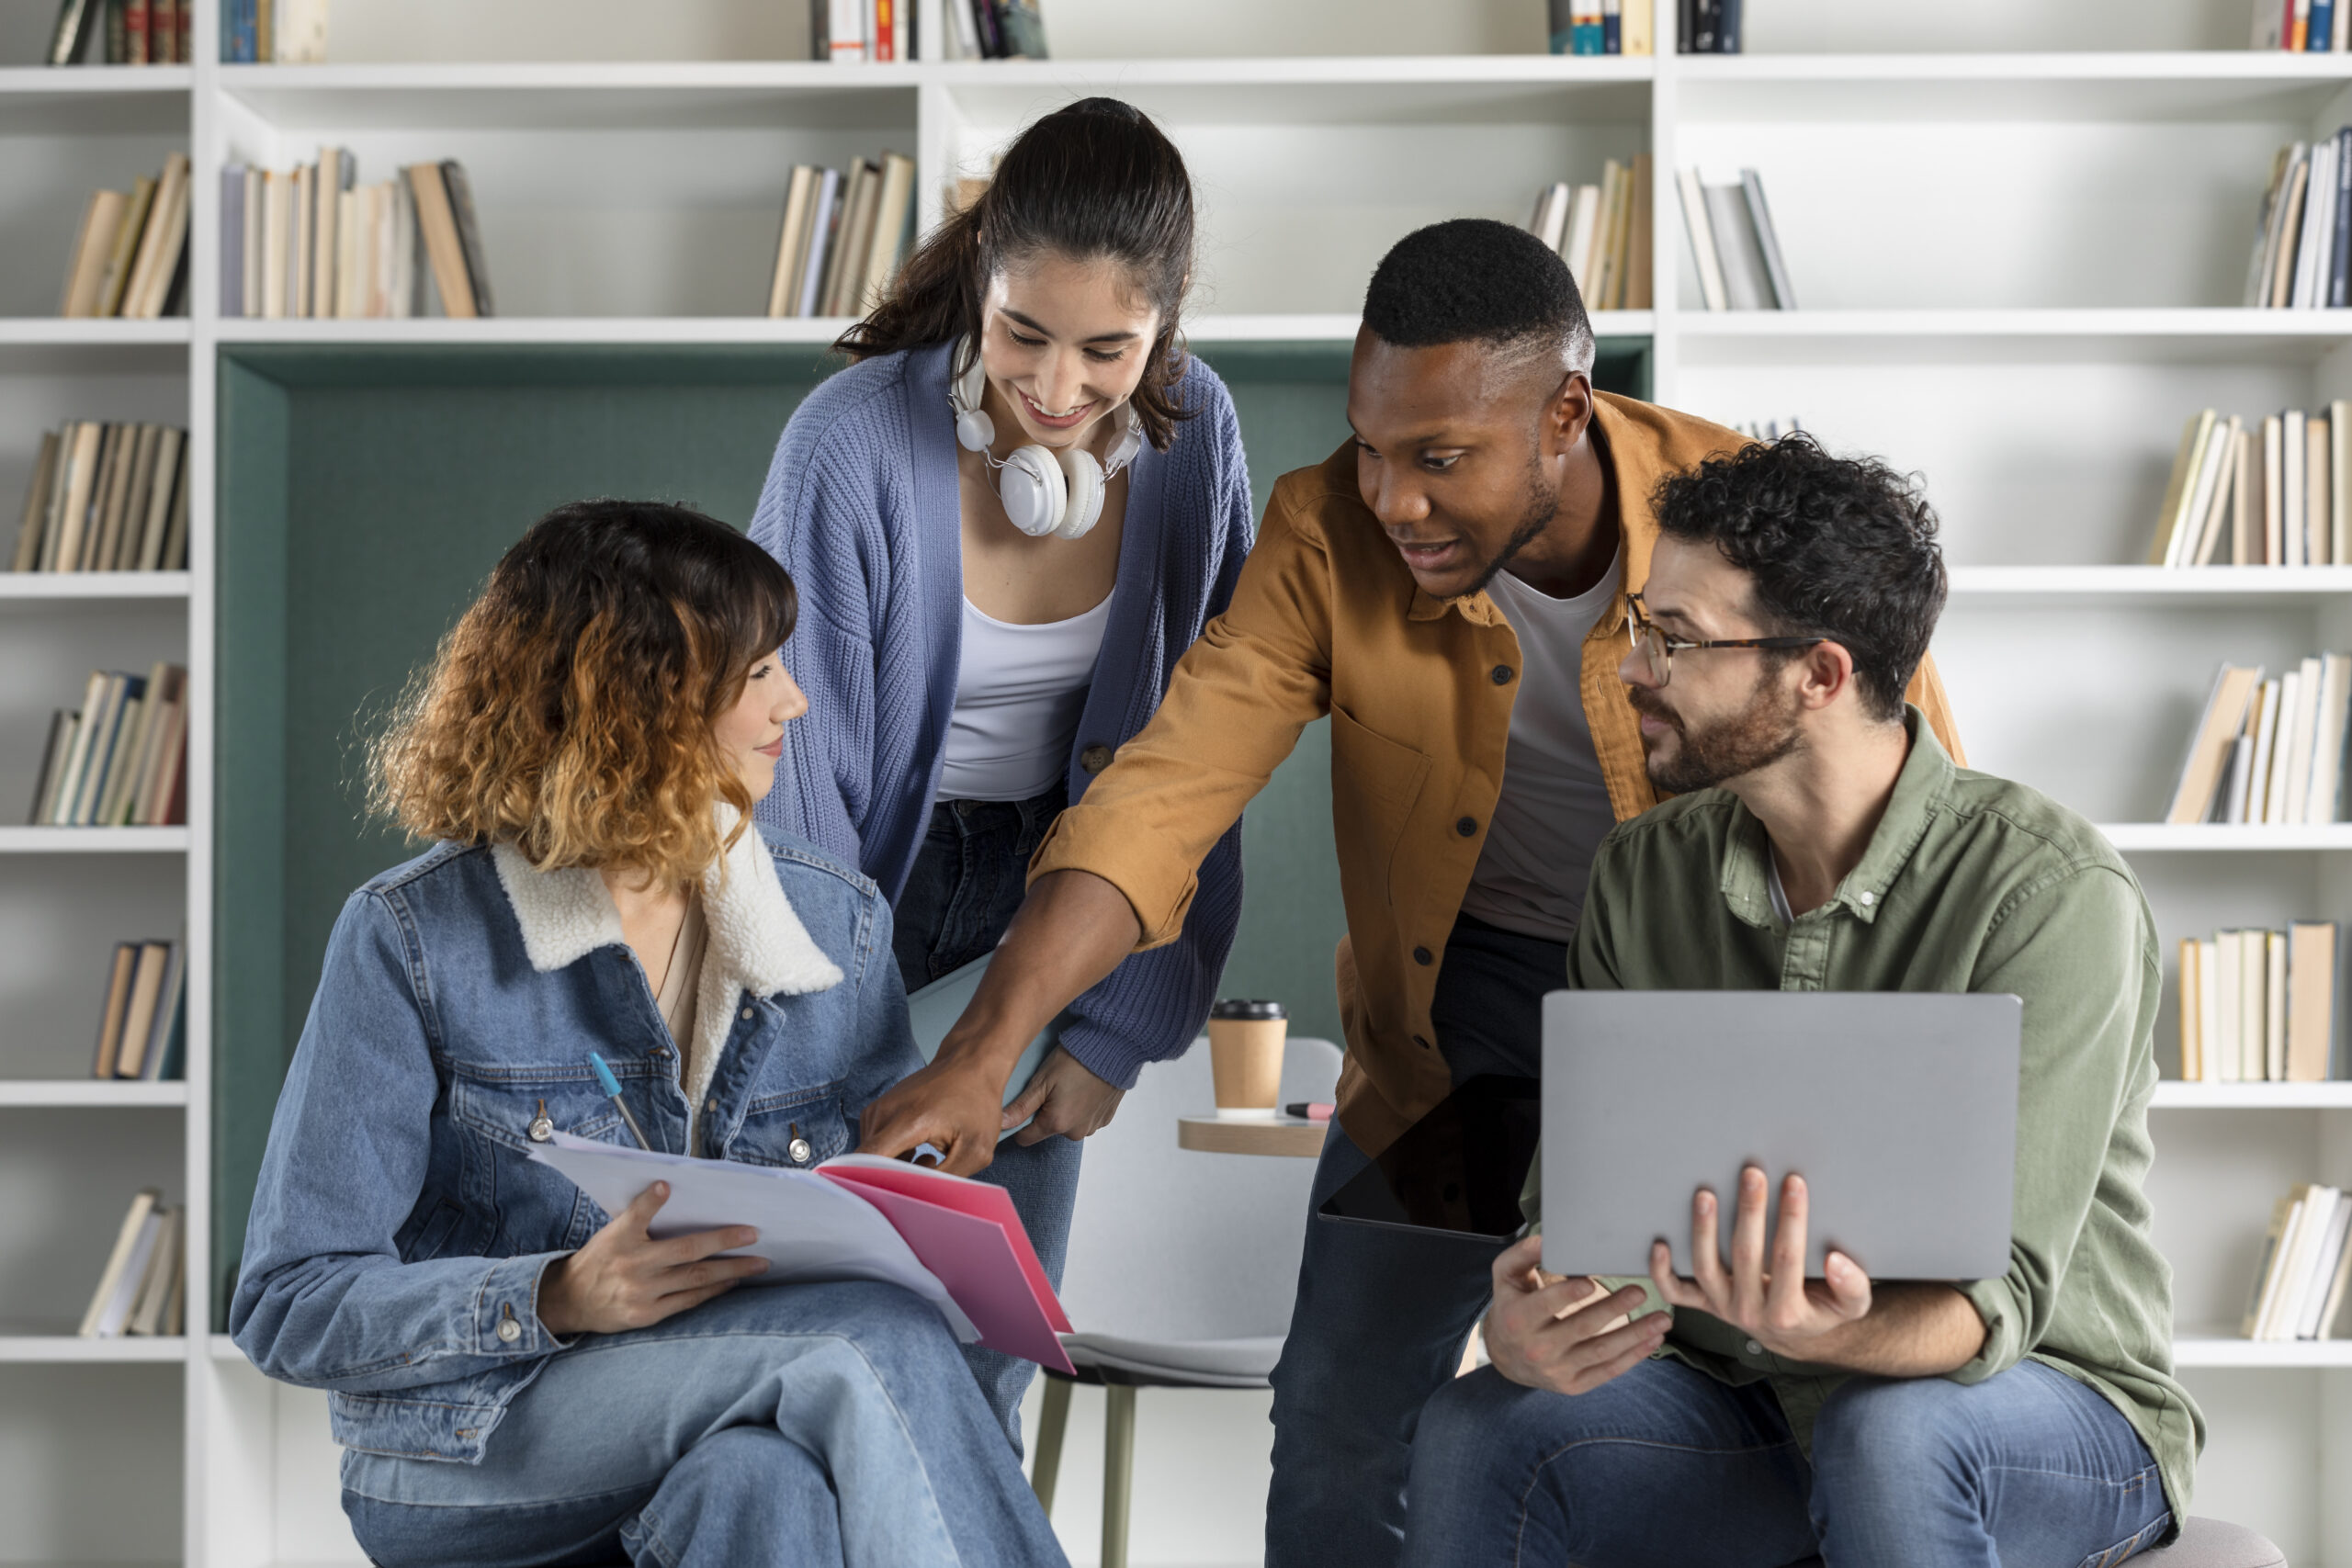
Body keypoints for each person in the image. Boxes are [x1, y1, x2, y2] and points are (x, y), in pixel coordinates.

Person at [856, 218, 1967, 1563]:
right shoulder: (1328, 533)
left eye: (1440, 458)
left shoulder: (1738, 525)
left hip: (1728, 1014)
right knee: (1337, 1410)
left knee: (1741, 1402)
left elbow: (1922, 822)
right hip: (1464, 1026)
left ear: (1565, 413)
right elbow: (1163, 796)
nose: (1392, 499)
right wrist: (980, 1052)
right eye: (1371, 447)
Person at [1404, 435, 2199, 1568]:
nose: (1631, 670)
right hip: (1747, 1400)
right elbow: (1587, 1219)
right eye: (1640, 627)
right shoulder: (1642, 872)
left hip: (2041, 1404)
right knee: (1482, 1426)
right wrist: (1537, 1320)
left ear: (1818, 675)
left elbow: (1998, 1298)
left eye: (1675, 640)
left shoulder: (2050, 891)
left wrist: (1829, 1327)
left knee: (1892, 1434)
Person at [229, 502, 1067, 1568]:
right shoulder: (412, 935)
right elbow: (289, 1302)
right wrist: (555, 1295)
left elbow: (891, 1232)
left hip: (742, 1402)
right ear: (643, 701)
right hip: (474, 1446)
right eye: (757, 674)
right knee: (860, 1341)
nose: (794, 701)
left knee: (761, 1485)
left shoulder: (833, 920)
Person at [748, 95, 1253, 1442]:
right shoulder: (852, 441)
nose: (1057, 389)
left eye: (1108, 350)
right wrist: (830, 1056)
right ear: (981, 278)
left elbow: (1203, 756)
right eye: (1023, 333)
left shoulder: (1195, 440)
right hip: (853, 879)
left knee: (987, 1356)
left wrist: (1111, 1029)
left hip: (1066, 885)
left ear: (1165, 327)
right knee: (820, 1332)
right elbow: (792, 780)